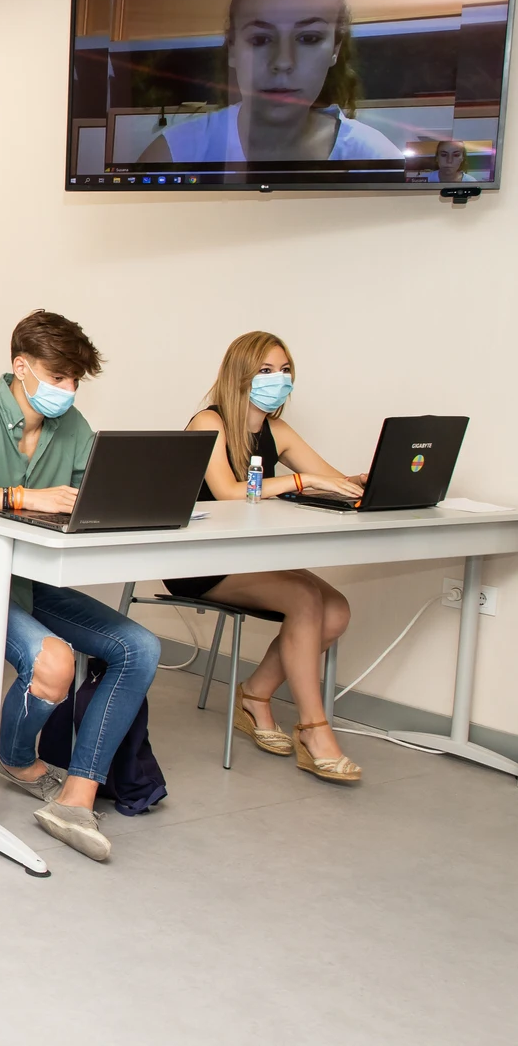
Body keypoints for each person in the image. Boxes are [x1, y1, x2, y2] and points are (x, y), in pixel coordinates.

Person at [0, 310, 160, 862]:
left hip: (28, 576)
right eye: (58, 378)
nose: (67, 391)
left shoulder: (73, 428)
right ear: (21, 367)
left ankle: (76, 796)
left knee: (140, 648)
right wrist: (19, 497)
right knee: (54, 662)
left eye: (75, 381)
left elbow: (89, 495)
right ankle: (18, 761)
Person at [163, 331, 362, 781]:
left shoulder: (277, 431)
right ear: (240, 376)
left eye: (285, 370)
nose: (279, 380)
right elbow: (230, 493)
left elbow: (328, 478)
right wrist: (298, 482)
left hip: (249, 557)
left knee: (336, 611)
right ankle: (314, 730)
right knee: (306, 599)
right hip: (199, 561)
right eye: (267, 371)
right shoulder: (207, 424)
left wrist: (360, 483)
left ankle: (254, 696)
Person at [141, 0, 400, 165]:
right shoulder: (174, 154)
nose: (283, 62)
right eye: (260, 39)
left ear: (335, 49)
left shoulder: (375, 157)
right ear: (232, 48)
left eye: (308, 38)